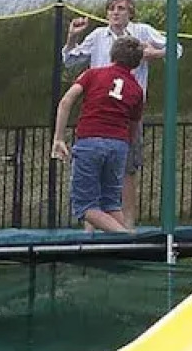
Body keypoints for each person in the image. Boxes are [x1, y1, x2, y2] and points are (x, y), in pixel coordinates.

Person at [61, 0, 177, 224]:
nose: (115, 12)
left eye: (121, 8)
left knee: (127, 169)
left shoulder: (142, 32)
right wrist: (72, 38)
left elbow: (176, 48)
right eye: (111, 8)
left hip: (127, 111)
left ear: (130, 12)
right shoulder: (97, 36)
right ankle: (93, 232)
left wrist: (155, 53)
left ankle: (128, 226)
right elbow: (71, 60)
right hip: (97, 110)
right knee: (93, 171)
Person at [52, 36, 145, 233]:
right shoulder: (136, 89)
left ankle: (126, 237)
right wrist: (126, 146)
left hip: (90, 140)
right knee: (110, 203)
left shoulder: (93, 74)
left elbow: (66, 102)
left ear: (112, 54)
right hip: (118, 144)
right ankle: (126, 240)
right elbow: (134, 126)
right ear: (137, 62)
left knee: (85, 206)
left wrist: (59, 138)